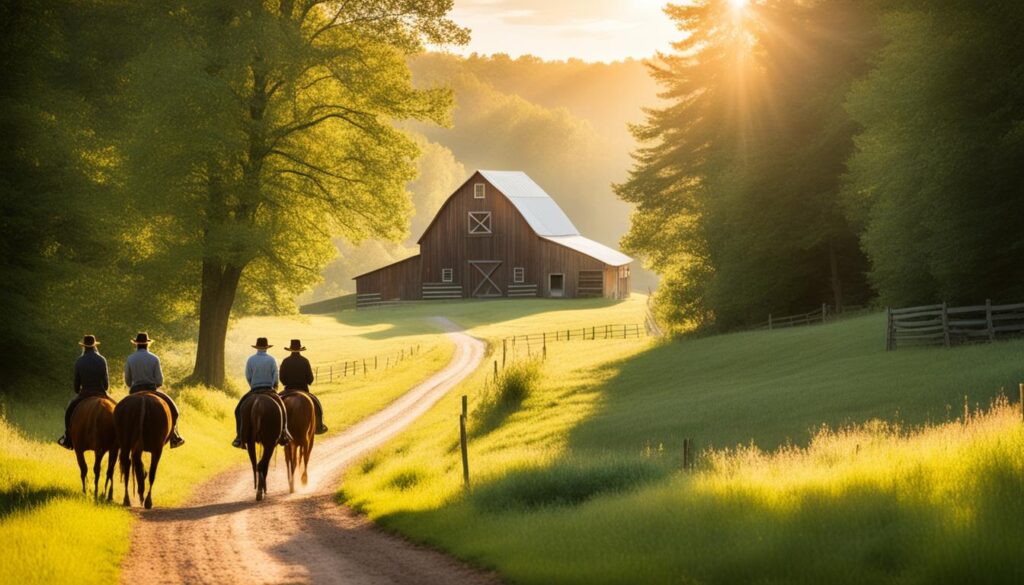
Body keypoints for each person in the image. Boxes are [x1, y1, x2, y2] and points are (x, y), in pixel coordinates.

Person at [125, 332, 185, 448]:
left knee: (118, 411)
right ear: (148, 344)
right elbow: (159, 380)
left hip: (135, 391)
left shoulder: (130, 359)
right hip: (152, 390)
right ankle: (174, 437)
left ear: (136, 344)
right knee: (174, 411)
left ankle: (119, 437)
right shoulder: (154, 358)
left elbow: (128, 381)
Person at [232, 337, 293, 449]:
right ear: (266, 347)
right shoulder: (271, 359)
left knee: (238, 410)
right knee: (283, 408)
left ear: (257, 347)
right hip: (269, 389)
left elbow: (248, 375)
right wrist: (274, 385)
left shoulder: (250, 359)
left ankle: (239, 437)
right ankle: (284, 432)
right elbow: (275, 375)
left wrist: (252, 385)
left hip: (254, 389)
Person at [58, 335, 110, 449]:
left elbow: (76, 385)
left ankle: (68, 438)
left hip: (84, 393)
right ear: (95, 346)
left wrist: (78, 390)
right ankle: (119, 438)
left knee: (69, 410)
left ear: (84, 347)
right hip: (100, 393)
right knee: (117, 409)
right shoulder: (102, 360)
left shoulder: (79, 361)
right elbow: (106, 385)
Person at [279, 339, 328, 434]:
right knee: (317, 405)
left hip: (288, 389)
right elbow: (310, 379)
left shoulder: (285, 361)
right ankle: (319, 425)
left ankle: (278, 428)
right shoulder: (305, 361)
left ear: (290, 349)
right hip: (303, 390)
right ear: (300, 349)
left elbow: (282, 379)